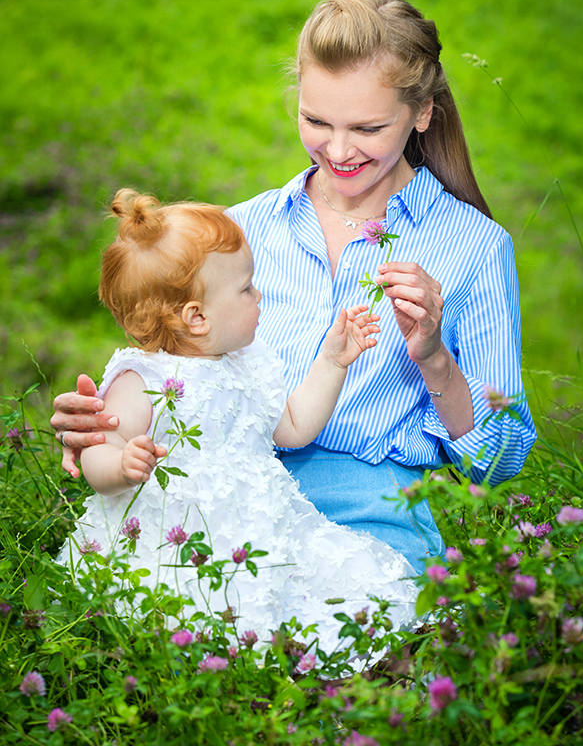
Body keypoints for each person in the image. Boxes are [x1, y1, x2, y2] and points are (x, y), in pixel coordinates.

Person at [52, 0, 536, 574]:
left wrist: (434, 358)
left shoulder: (474, 247)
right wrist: (106, 428)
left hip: (369, 510)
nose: (337, 150)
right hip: (220, 501)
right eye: (315, 121)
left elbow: (500, 458)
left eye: (367, 128)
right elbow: (174, 371)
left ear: (423, 113)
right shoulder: (237, 232)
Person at [57, 189, 419, 652]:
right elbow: (98, 451)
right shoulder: (142, 378)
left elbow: (292, 426)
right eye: (246, 287)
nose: (259, 294)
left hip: (257, 523)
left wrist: (332, 362)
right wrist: (122, 464)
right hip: (177, 533)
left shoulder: (246, 361)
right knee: (201, 606)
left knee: (305, 586)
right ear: (198, 317)